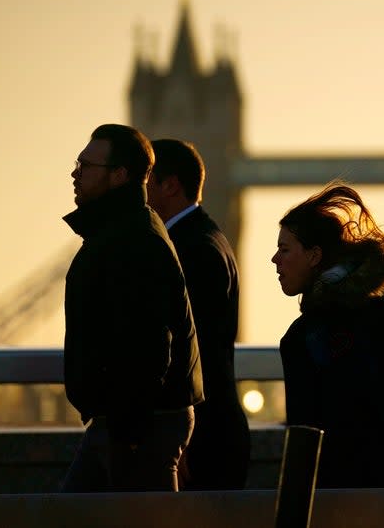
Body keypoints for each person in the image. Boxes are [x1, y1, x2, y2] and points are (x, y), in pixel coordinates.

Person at [61, 124, 203, 492]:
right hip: (124, 419)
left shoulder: (133, 240)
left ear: (120, 175)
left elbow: (148, 344)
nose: (75, 173)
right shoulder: (120, 231)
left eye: (86, 165)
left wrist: (131, 433)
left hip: (136, 423)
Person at [272, 181, 384, 488]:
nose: (275, 260)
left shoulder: (305, 336)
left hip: (347, 491)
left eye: (284, 249)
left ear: (314, 255)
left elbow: (305, 434)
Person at [148, 138, 250, 490]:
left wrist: (184, 439)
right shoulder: (207, 238)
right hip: (210, 430)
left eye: (145, 179)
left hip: (201, 437)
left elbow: (194, 350)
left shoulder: (193, 251)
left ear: (170, 185)